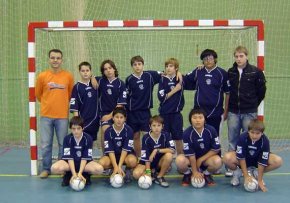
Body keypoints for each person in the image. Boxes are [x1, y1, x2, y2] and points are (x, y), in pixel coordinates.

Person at [226, 46, 266, 176]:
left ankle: (250, 167)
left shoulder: (256, 72)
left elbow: (261, 92)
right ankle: (232, 169)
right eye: (236, 56)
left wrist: (252, 104)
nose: (238, 59)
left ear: (246, 56)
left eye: (241, 56)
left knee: (250, 138)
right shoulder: (230, 72)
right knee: (233, 139)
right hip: (233, 112)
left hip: (249, 111)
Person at [35, 49, 74, 179]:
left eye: (58, 58)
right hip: (46, 116)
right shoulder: (42, 76)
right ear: (49, 59)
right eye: (53, 58)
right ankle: (46, 168)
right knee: (46, 144)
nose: (55, 60)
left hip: (62, 116)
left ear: (62, 60)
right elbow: (38, 95)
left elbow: (70, 95)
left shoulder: (68, 76)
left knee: (63, 144)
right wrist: (49, 104)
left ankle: (60, 168)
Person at [223, 119, 283, 192]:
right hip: (244, 160)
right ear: (248, 131)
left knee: (278, 161)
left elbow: (262, 160)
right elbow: (241, 157)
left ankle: (256, 173)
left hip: (257, 161)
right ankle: (237, 172)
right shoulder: (242, 138)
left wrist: (260, 180)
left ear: (262, 133)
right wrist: (246, 176)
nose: (254, 136)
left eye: (257, 133)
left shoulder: (265, 141)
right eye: (252, 132)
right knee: (226, 157)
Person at [183, 49, 230, 137]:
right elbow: (184, 80)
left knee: (214, 138)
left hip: (216, 113)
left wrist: (226, 111)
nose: (208, 61)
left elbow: (228, 93)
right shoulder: (198, 71)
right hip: (198, 113)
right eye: (205, 59)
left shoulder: (222, 73)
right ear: (202, 61)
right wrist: (177, 72)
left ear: (215, 59)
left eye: (210, 58)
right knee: (198, 137)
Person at [51, 116, 104, 186]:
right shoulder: (67, 139)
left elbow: (85, 158)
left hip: (84, 164)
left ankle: (84, 174)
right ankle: (69, 175)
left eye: (78, 128)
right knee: (54, 168)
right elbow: (69, 158)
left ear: (83, 128)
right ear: (70, 129)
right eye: (73, 129)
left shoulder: (88, 139)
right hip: (70, 164)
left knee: (99, 169)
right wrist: (74, 174)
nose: (76, 131)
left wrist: (79, 173)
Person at [175, 108, 222, 187]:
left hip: (206, 160)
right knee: (179, 160)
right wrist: (194, 172)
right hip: (191, 160)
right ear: (191, 120)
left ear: (205, 119)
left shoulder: (211, 130)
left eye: (200, 117)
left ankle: (206, 174)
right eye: (195, 118)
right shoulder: (187, 133)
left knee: (218, 161)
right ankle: (187, 174)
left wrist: (201, 159)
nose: (197, 120)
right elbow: (191, 155)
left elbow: (216, 149)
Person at [92, 60, 127, 152]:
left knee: (119, 133)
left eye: (110, 68)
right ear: (103, 72)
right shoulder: (101, 80)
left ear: (114, 69)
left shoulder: (121, 84)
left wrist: (110, 116)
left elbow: (120, 105)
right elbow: (90, 76)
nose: (108, 71)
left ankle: (118, 155)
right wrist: (92, 78)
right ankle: (105, 154)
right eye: (105, 69)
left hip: (118, 113)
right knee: (105, 130)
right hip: (104, 113)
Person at [133, 115, 175, 187]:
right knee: (136, 174)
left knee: (169, 155)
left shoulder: (166, 135)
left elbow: (172, 150)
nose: (156, 128)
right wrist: (148, 171)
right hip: (147, 162)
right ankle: (152, 173)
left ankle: (159, 176)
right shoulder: (146, 138)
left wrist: (156, 150)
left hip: (159, 161)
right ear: (150, 127)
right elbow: (146, 158)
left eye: (159, 125)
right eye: (154, 125)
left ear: (162, 126)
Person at [98, 107, 138, 183]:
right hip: (112, 155)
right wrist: (116, 167)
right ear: (113, 118)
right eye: (117, 117)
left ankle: (128, 170)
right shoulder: (108, 131)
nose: (119, 120)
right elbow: (110, 151)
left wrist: (119, 166)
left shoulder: (129, 130)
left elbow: (125, 150)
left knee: (132, 161)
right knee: (101, 163)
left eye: (121, 117)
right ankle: (113, 169)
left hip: (125, 155)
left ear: (125, 119)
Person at [158, 58, 184, 155]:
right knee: (164, 138)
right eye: (167, 66)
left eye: (171, 66)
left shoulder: (181, 79)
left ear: (176, 68)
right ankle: (166, 160)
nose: (168, 68)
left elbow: (192, 76)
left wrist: (180, 74)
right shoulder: (162, 79)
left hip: (176, 114)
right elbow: (162, 98)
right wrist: (175, 90)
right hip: (164, 114)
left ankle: (181, 158)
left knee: (178, 138)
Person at [70, 61, 100, 141]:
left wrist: (92, 77)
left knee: (91, 142)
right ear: (79, 72)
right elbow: (74, 106)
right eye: (83, 71)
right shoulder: (76, 87)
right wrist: (77, 122)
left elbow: (107, 77)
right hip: (83, 120)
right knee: (82, 142)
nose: (85, 73)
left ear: (91, 71)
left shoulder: (96, 82)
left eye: (87, 70)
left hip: (95, 120)